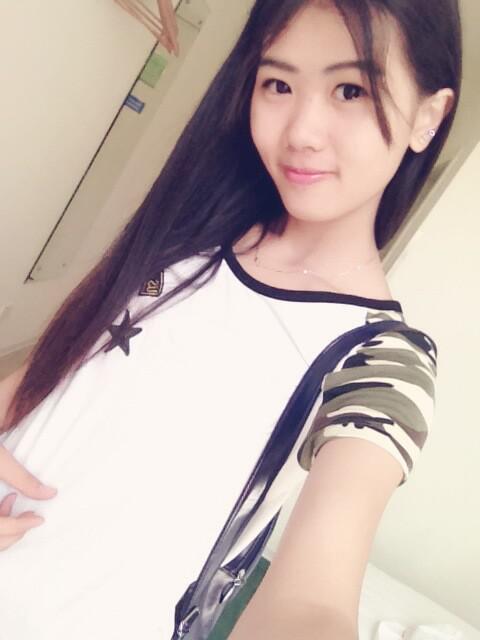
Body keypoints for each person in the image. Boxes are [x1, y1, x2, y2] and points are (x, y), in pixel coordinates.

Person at [0, 0, 461, 638]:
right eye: (278, 84)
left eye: (350, 90)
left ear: (429, 116)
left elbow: (313, 604)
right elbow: (43, 378)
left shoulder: (379, 358)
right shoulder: (187, 237)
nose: (301, 131)